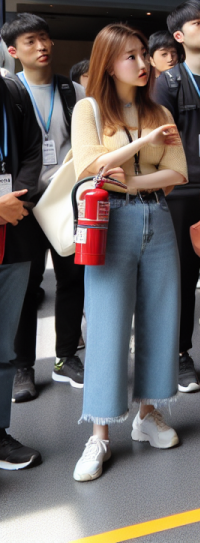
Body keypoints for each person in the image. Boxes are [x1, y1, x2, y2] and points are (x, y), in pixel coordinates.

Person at [71, 23, 187, 482]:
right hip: (108, 220)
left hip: (156, 216)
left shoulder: (159, 109)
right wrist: (143, 145)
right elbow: (90, 166)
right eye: (131, 56)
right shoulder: (89, 110)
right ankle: (99, 433)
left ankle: (148, 414)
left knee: (162, 316)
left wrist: (135, 179)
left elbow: (177, 172)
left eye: (144, 54)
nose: (143, 64)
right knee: (106, 323)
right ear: (108, 62)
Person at [2, 14, 86, 402]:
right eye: (32, 41)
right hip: (23, 204)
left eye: (46, 39)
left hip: (66, 203)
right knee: (25, 287)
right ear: (13, 51)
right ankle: (23, 367)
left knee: (73, 279)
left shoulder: (72, 91)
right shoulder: (9, 91)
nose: (43, 46)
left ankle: (66, 355)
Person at [154, 0, 200, 393]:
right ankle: (181, 354)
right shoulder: (168, 81)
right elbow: (162, 141)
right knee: (180, 277)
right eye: (196, 23)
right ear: (179, 37)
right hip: (181, 193)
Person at [0, 73, 42, 470]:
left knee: (3, 346)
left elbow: (32, 151)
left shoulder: (12, 91)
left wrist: (14, 200)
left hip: (14, 234)